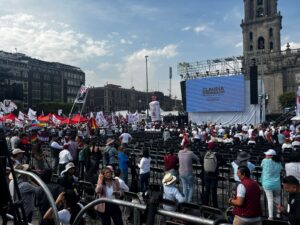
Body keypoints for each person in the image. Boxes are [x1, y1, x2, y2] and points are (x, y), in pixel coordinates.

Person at [260, 149, 283, 220]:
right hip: (276, 183)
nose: (265, 155)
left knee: (270, 199)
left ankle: (270, 216)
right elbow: (281, 169)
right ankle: (278, 213)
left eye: (267, 155)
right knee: (278, 198)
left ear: (271, 156)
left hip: (267, 184)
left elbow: (261, 166)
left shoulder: (264, 161)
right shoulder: (279, 162)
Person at [202, 142, 224, 207]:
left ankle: (205, 205)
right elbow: (223, 162)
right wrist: (217, 165)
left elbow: (201, 161)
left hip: (206, 174)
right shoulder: (217, 155)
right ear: (215, 148)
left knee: (207, 190)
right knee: (214, 191)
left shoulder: (204, 154)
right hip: (214, 175)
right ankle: (215, 206)